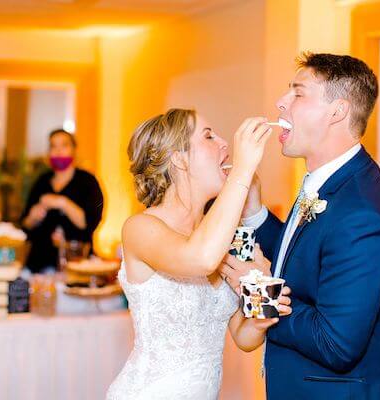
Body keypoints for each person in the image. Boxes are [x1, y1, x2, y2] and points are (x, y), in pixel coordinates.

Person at [220, 53, 380, 399]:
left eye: (297, 93)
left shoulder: (361, 215)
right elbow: (312, 260)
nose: (281, 102)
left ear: (336, 112)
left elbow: (335, 344)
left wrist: (260, 291)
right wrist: (256, 213)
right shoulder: (333, 182)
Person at [106, 109, 292, 400]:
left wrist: (262, 308)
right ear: (178, 158)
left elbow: (244, 338)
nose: (224, 143)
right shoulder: (140, 228)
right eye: (208, 136)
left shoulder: (226, 235)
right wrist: (242, 171)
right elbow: (200, 259)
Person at [21, 129, 103, 273]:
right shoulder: (42, 182)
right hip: (39, 264)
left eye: (64, 145)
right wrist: (33, 217)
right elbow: (25, 224)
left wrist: (62, 202)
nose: (58, 151)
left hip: (77, 264)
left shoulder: (88, 181)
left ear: (73, 150)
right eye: (53, 146)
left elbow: (89, 223)